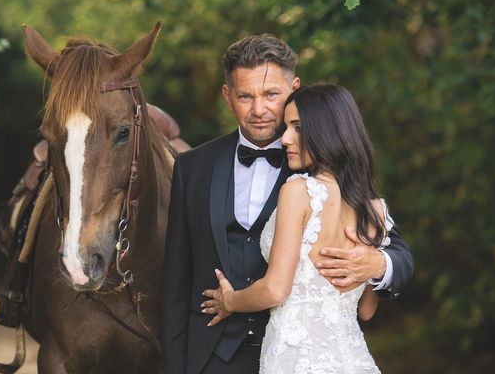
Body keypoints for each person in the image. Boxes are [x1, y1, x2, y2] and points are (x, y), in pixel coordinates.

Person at [162, 36, 413, 374]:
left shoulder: (317, 165)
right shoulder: (192, 168)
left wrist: (378, 265)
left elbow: (397, 254)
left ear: (294, 88)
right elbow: (176, 283)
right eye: (245, 96)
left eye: (271, 95)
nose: (259, 109)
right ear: (227, 96)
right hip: (212, 357)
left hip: (289, 354)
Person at [202, 84, 400, 373]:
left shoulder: (299, 191)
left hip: (295, 357)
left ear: (327, 130)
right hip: (352, 358)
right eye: (286, 127)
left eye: (297, 127)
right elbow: (366, 311)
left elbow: (275, 289)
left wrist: (230, 300)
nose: (285, 138)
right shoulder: (376, 209)